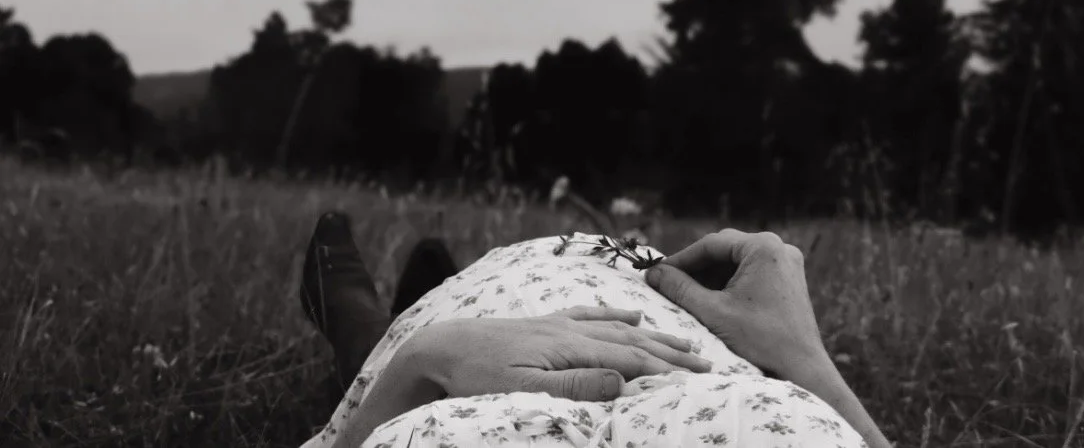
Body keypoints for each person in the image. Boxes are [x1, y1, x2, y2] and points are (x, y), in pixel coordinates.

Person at [299, 212, 892, 448]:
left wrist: (426, 357)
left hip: (459, 353)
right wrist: (808, 363)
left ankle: (365, 324)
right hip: (650, 302)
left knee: (377, 348)